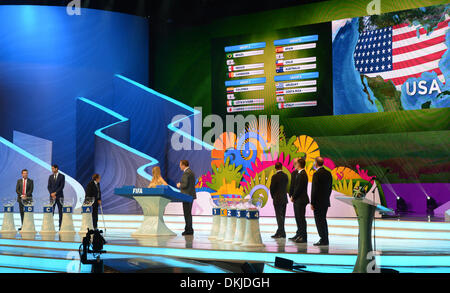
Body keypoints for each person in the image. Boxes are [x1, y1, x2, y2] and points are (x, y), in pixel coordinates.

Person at [311, 157, 333, 246]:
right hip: (325, 201)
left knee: (319, 221)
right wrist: (326, 197)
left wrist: (312, 202)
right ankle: (325, 239)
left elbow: (314, 190)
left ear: (316, 163)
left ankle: (323, 239)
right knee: (323, 220)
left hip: (317, 202)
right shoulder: (328, 173)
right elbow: (330, 188)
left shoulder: (316, 174)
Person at [291, 158, 309, 243]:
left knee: (301, 218)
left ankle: (303, 236)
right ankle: (299, 234)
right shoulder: (299, 173)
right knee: (298, 218)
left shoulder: (302, 174)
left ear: (299, 164)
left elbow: (299, 188)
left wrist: (293, 196)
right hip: (298, 200)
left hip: (301, 200)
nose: (295, 164)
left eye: (296, 163)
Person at [176, 160, 196, 236]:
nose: (180, 166)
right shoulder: (191, 172)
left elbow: (184, 185)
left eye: (180, 165)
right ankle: (189, 229)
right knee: (188, 213)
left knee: (187, 213)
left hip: (186, 196)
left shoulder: (186, 173)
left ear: (184, 165)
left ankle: (188, 230)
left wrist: (179, 184)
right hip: (190, 195)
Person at [269, 162, 289, 238]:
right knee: (282, 216)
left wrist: (273, 196)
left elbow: (272, 188)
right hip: (284, 198)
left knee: (279, 216)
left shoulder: (274, 177)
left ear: (275, 168)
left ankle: (281, 233)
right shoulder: (285, 176)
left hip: (277, 199)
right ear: (282, 167)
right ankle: (281, 232)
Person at [47, 164, 65, 230]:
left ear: (56, 168)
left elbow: (62, 186)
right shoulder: (50, 177)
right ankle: (51, 225)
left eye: (53, 168)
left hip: (59, 196)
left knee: (60, 211)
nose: (52, 170)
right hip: (52, 197)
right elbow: (49, 186)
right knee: (51, 211)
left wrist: (55, 193)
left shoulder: (62, 176)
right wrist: (51, 193)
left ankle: (60, 225)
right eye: (51, 168)